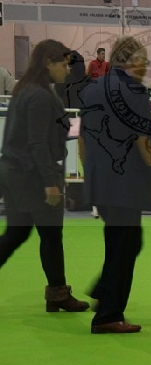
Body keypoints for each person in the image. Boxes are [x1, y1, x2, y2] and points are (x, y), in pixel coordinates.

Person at [78, 36, 151, 334]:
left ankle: (104, 291)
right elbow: (145, 142)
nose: (145, 67)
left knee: (124, 243)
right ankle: (108, 315)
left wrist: (91, 175)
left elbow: (82, 138)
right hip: (125, 184)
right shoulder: (134, 93)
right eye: (142, 61)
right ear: (131, 62)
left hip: (101, 182)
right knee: (123, 247)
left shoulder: (92, 88)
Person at [0, 39, 89, 313]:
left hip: (16, 173)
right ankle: (58, 294)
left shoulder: (26, 90)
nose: (67, 70)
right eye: (64, 64)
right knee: (50, 236)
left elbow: (55, 129)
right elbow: (37, 142)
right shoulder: (39, 95)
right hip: (33, 176)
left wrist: (83, 125)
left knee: (17, 233)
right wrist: (50, 182)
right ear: (48, 63)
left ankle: (57, 293)